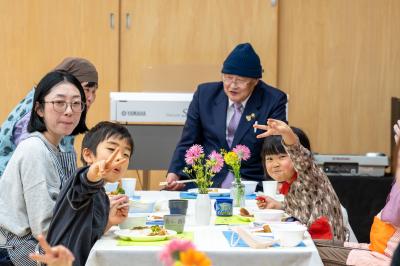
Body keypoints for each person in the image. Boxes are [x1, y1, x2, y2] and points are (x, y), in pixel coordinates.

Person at [166, 43, 288, 190]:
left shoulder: (273, 99)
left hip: (253, 182)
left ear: (255, 81)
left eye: (241, 80)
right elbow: (188, 140)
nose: (232, 86)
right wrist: (174, 172)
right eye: (228, 78)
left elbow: (275, 146)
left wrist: (280, 182)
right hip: (206, 181)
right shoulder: (205, 95)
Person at [0, 70, 88, 266]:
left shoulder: (57, 147)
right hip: (15, 252)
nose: (69, 110)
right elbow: (45, 229)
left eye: (76, 103)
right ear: (39, 109)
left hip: (38, 245)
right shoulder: (35, 149)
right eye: (59, 103)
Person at [46, 121, 133, 266]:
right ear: (88, 155)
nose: (119, 158)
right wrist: (95, 172)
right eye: (112, 149)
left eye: (126, 154)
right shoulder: (80, 182)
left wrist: (109, 221)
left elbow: (89, 236)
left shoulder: (101, 194)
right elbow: (87, 181)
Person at [0, 57, 98, 177]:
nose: (90, 98)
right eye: (86, 89)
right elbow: (33, 171)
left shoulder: (66, 112)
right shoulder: (37, 113)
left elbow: (65, 171)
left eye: (94, 91)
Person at [314, 130, 400, 265]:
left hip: (383, 258)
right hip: (375, 249)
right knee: (307, 244)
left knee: (308, 252)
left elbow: (393, 215)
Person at [254, 119, 346, 241]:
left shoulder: (308, 175)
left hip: (324, 246)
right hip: (308, 241)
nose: (275, 164)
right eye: (269, 159)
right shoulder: (290, 181)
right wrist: (280, 206)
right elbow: (301, 209)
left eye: (282, 157)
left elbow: (299, 156)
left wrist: (287, 134)